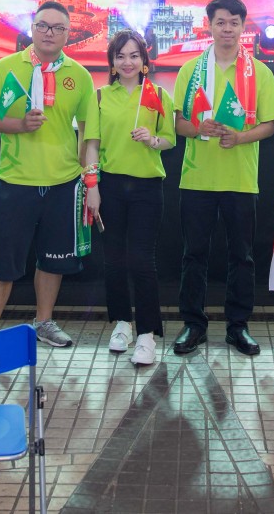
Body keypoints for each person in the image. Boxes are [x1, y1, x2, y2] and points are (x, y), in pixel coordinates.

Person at [0, 1, 99, 348]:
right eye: (43, 25)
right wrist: (19, 125)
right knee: (3, 263)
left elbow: (89, 134)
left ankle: (43, 322)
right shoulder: (5, 68)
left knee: (53, 261)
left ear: (68, 34)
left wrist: (89, 181)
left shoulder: (80, 75)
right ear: (32, 28)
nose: (49, 33)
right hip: (15, 181)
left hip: (63, 183)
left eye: (58, 28)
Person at [171, 0, 274, 357]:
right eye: (221, 22)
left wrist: (240, 137)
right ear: (210, 26)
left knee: (242, 256)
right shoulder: (190, 70)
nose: (227, 29)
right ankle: (193, 324)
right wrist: (198, 129)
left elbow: (269, 125)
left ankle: (238, 326)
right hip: (197, 178)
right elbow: (178, 124)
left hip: (240, 179)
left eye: (234, 22)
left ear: (243, 27)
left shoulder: (259, 72)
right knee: (193, 255)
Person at [87, 30, 175, 365]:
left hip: (147, 187)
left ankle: (147, 333)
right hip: (109, 185)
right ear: (111, 62)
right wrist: (92, 187)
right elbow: (92, 145)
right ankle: (122, 323)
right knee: (113, 260)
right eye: (120, 56)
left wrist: (152, 140)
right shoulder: (99, 97)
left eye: (134, 55)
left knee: (141, 259)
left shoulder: (157, 95)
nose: (127, 62)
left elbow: (170, 140)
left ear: (144, 61)